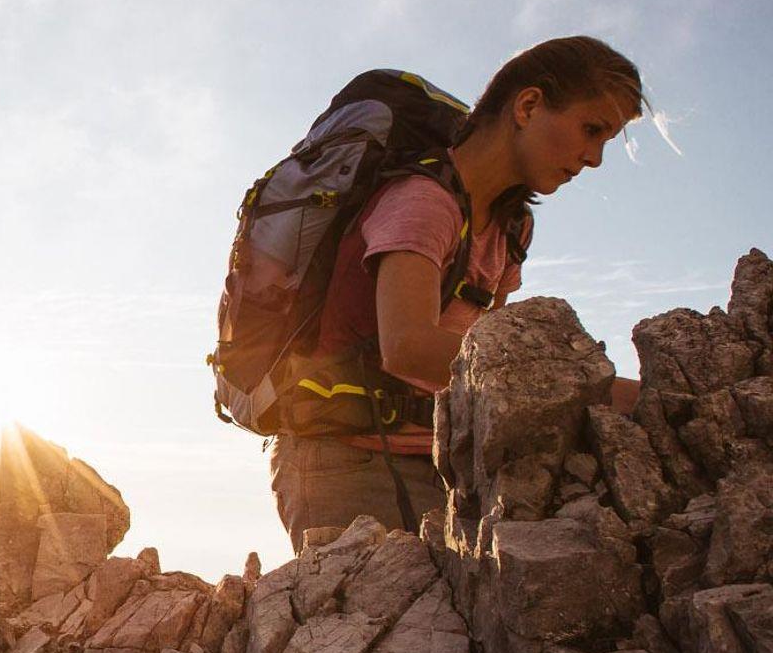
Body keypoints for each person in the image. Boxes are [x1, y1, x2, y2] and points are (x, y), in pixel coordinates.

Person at [270, 35, 645, 550]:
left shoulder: (511, 227)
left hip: (440, 462)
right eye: (592, 129)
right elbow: (407, 345)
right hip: (349, 462)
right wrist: (591, 390)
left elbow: (485, 352)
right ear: (528, 106)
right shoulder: (424, 201)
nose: (596, 158)